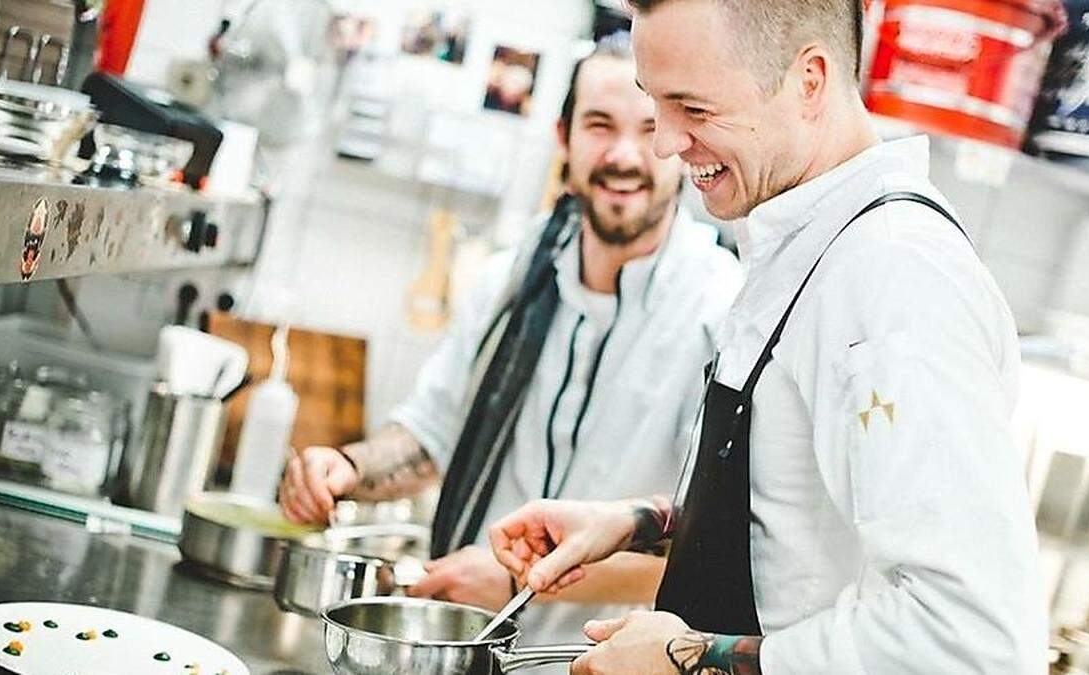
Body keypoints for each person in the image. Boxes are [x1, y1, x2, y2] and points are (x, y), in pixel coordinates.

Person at [488, 1, 1045, 673]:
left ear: (809, 80)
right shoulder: (801, 239)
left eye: (694, 110)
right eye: (656, 103)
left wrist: (689, 655)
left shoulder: (894, 277)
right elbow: (799, 524)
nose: (665, 143)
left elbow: (969, 638)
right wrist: (638, 524)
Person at [279, 32, 742, 649]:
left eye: (649, 127)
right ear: (564, 139)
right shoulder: (513, 277)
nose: (626, 155)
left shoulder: (723, 311)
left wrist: (519, 578)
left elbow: (706, 548)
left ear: (679, 143)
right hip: (466, 650)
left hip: (596, 658)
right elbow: (432, 433)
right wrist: (345, 467)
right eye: (600, 125)